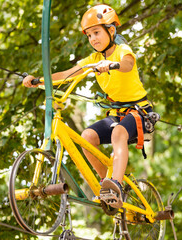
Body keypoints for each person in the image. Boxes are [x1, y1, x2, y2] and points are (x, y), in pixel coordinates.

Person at [23, 4, 153, 208]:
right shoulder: (93, 60)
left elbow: (128, 64)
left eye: (96, 33)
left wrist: (112, 65)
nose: (93, 39)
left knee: (119, 133)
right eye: (89, 35)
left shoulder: (122, 51)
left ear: (111, 31)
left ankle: (116, 185)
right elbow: (66, 75)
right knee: (87, 137)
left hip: (140, 113)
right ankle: (106, 183)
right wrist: (40, 80)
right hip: (117, 113)